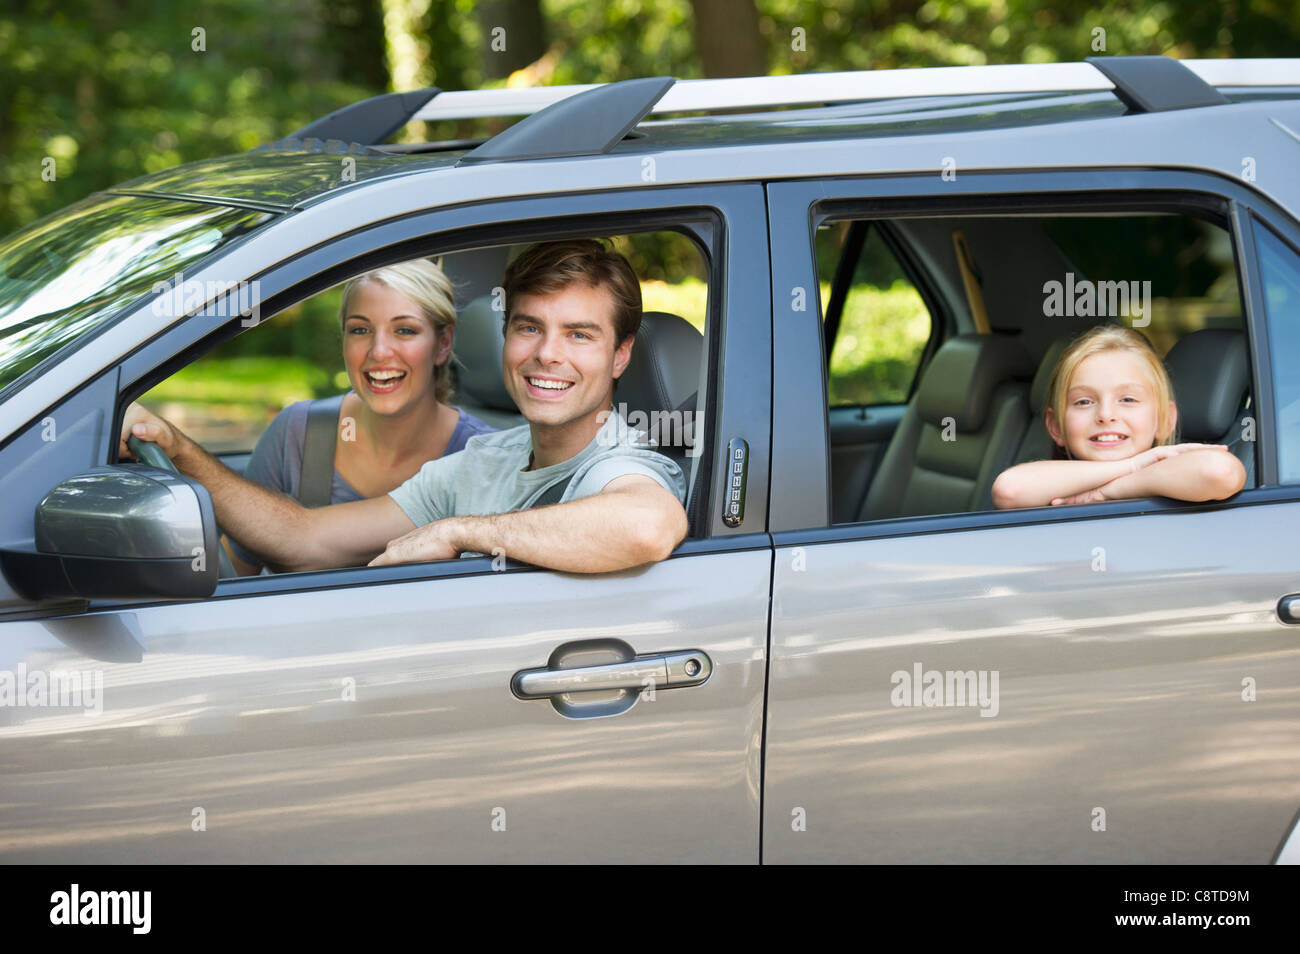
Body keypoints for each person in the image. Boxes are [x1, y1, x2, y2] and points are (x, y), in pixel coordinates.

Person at [120, 239, 688, 573]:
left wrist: (459, 531)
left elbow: (647, 525)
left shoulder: (621, 463)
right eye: (528, 328)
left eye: (580, 335)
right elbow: (307, 538)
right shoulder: (484, 460)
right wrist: (175, 446)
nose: (546, 355)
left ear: (620, 356)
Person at [226, 258, 495, 574]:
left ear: (443, 344)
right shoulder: (297, 433)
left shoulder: (486, 457)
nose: (379, 351)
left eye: (404, 330)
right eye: (360, 329)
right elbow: (232, 581)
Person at [991, 324, 1246, 509]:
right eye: (1084, 402)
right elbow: (1009, 489)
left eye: (1127, 399)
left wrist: (1108, 492)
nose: (1105, 415)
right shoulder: (1052, 486)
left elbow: (1219, 471)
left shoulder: (1180, 476)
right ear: (1056, 428)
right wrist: (1130, 466)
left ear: (1165, 420)